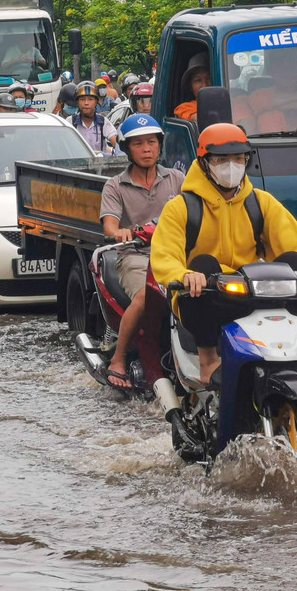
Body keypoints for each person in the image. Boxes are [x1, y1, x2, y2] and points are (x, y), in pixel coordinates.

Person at [150, 123, 297, 385]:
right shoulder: (181, 207)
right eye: (221, 160)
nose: (231, 166)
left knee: (295, 263)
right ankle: (208, 360)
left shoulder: (261, 202)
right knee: (202, 264)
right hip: (207, 295)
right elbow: (164, 255)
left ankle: (295, 355)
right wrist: (182, 275)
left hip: (252, 290)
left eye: (238, 158)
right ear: (205, 163)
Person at [99, 114, 185, 388]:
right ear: (127, 149)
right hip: (136, 255)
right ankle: (119, 358)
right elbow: (110, 225)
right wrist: (120, 232)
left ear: (160, 145)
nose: (147, 149)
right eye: (138, 144)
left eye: (151, 142)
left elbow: (197, 210)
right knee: (145, 297)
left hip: (176, 254)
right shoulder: (115, 185)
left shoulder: (177, 179)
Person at [71, 81, 118, 154]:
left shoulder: (103, 122)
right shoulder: (70, 122)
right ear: (77, 102)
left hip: (99, 161)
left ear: (96, 102)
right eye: (82, 99)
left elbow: (116, 143)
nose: (86, 103)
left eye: (90, 99)